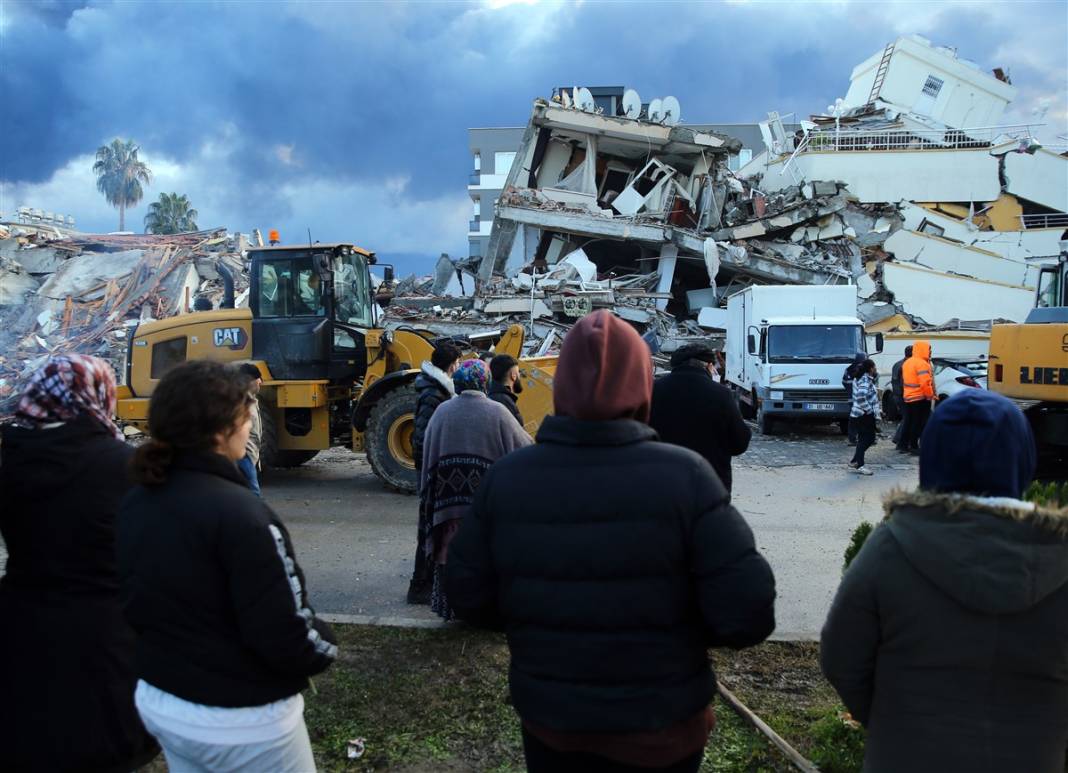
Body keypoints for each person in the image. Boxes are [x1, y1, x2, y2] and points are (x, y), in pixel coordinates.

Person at [446, 311, 776, 773]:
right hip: (664, 731)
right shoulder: (687, 478)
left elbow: (466, 592)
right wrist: (677, 637)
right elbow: (749, 613)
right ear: (642, 383)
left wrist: (537, 625)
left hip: (553, 726)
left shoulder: (509, 478)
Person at [821, 389, 1067, 773]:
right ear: (1024, 457)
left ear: (931, 458)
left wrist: (892, 721)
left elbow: (841, 657)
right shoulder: (1060, 554)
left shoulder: (891, 546)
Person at [116, 360, 337, 772]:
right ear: (221, 429)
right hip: (244, 722)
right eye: (246, 415)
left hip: (163, 701)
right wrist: (326, 642)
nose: (251, 423)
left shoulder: (137, 501)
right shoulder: (244, 516)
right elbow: (286, 635)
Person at [0, 354, 160, 773]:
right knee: (103, 742)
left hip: (22, 622)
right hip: (104, 631)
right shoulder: (119, 464)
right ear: (99, 395)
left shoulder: (11, 456)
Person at [422, 358, 531, 620]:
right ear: (485, 381)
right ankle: (486, 612)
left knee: (449, 558)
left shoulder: (442, 412)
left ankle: (449, 608)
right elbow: (525, 448)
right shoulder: (497, 412)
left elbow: (428, 456)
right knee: (486, 561)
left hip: (447, 507)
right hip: (484, 508)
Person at [649, 342, 751, 495]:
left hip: (663, 484)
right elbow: (739, 443)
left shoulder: (653, 391)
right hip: (710, 485)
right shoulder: (721, 395)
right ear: (709, 366)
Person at [407, 341, 462, 605]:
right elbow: (423, 438)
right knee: (427, 527)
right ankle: (419, 587)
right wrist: (428, 472)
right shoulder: (434, 394)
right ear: (452, 365)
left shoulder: (436, 389)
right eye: (458, 363)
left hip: (430, 468)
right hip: (430, 470)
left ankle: (425, 584)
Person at [896, 340, 936, 455]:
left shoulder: (908, 362)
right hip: (920, 398)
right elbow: (925, 383)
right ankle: (913, 446)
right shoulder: (923, 364)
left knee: (909, 421)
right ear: (923, 349)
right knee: (919, 423)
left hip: (908, 397)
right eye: (929, 350)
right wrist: (930, 396)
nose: (930, 352)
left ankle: (903, 444)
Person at [847, 359, 880, 475]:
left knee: (864, 439)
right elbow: (861, 397)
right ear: (870, 368)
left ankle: (855, 460)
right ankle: (859, 464)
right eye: (874, 367)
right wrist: (870, 410)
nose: (876, 369)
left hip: (859, 413)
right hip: (863, 414)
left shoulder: (862, 378)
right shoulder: (865, 379)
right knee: (868, 439)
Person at [237, 362, 264, 496]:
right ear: (250, 380)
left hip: (249, 455)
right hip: (244, 455)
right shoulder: (240, 400)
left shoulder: (251, 400)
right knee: (254, 494)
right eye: (259, 378)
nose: (261, 382)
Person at [488, 353, 524, 426]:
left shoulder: (490, 396)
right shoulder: (506, 402)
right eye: (518, 373)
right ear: (513, 375)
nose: (519, 376)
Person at [842, 351, 866, 445]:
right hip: (862, 400)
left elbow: (844, 382)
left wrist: (849, 391)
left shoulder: (849, 369)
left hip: (852, 399)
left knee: (853, 420)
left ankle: (852, 439)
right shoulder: (864, 370)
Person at [890, 345, 912, 446]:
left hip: (896, 394)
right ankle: (899, 439)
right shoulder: (907, 365)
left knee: (906, 418)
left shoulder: (897, 364)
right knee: (907, 418)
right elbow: (904, 383)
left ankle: (899, 439)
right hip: (903, 395)